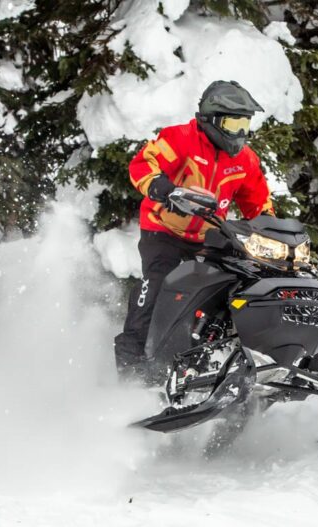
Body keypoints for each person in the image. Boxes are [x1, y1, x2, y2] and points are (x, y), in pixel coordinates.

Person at [114, 80, 274, 380]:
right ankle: (132, 369)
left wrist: (268, 226)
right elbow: (142, 164)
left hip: (209, 237)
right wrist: (162, 187)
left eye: (245, 124)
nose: (240, 132)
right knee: (157, 288)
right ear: (212, 120)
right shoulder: (180, 138)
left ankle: (214, 361)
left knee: (227, 289)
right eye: (233, 123)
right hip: (163, 233)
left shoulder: (245, 159)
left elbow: (259, 202)